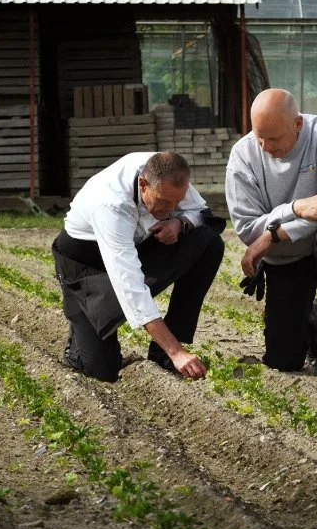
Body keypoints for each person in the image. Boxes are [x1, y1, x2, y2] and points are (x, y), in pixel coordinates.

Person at [225, 88, 317, 376]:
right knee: (283, 361)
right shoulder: (243, 156)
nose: (265, 147)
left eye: (274, 138)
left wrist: (273, 234)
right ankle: (311, 316)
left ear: (297, 124)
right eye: (258, 136)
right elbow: (247, 228)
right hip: (286, 258)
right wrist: (295, 208)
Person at [51, 150, 225, 383]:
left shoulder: (167, 171)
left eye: (176, 202)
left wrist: (179, 222)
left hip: (135, 244)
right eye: (163, 202)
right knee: (102, 371)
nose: (167, 210)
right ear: (143, 184)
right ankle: (81, 324)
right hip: (86, 263)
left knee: (208, 242)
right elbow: (130, 287)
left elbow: (201, 212)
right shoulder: (111, 205)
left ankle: (162, 350)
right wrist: (177, 352)